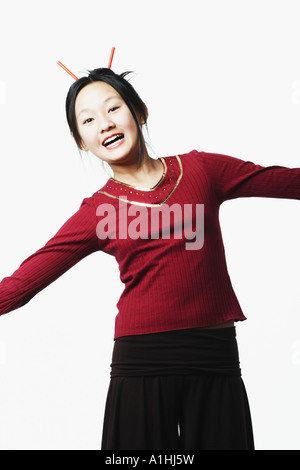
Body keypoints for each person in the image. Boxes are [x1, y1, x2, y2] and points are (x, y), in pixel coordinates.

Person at [0, 66, 299, 450]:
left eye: (113, 108)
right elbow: (22, 285)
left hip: (215, 358)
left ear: (139, 111)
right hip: (141, 365)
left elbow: (289, 180)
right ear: (81, 141)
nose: (104, 124)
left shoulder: (201, 171)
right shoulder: (97, 212)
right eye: (88, 120)